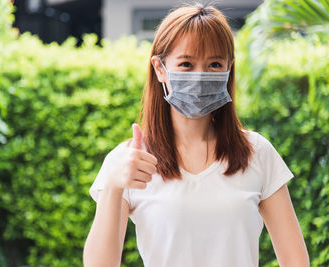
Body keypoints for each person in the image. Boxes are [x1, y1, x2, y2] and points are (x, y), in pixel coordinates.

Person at [83, 3, 310, 267]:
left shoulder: (257, 152)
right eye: (186, 63)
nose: (200, 75)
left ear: (228, 70)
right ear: (159, 68)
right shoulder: (128, 161)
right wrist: (113, 187)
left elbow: (296, 262)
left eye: (214, 64)